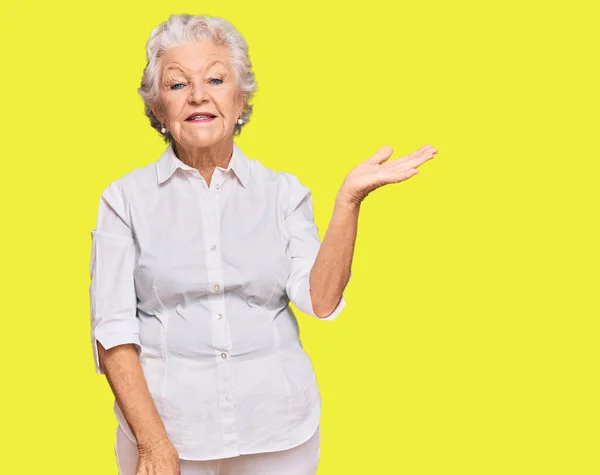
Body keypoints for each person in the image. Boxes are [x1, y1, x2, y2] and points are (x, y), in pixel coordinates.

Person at [88, 13, 437, 475]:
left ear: (240, 97)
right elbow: (113, 333)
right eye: (177, 85)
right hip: (171, 435)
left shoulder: (283, 193)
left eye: (215, 78)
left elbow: (321, 299)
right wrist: (154, 445)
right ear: (157, 109)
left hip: (279, 429)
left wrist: (348, 201)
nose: (198, 95)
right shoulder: (124, 200)